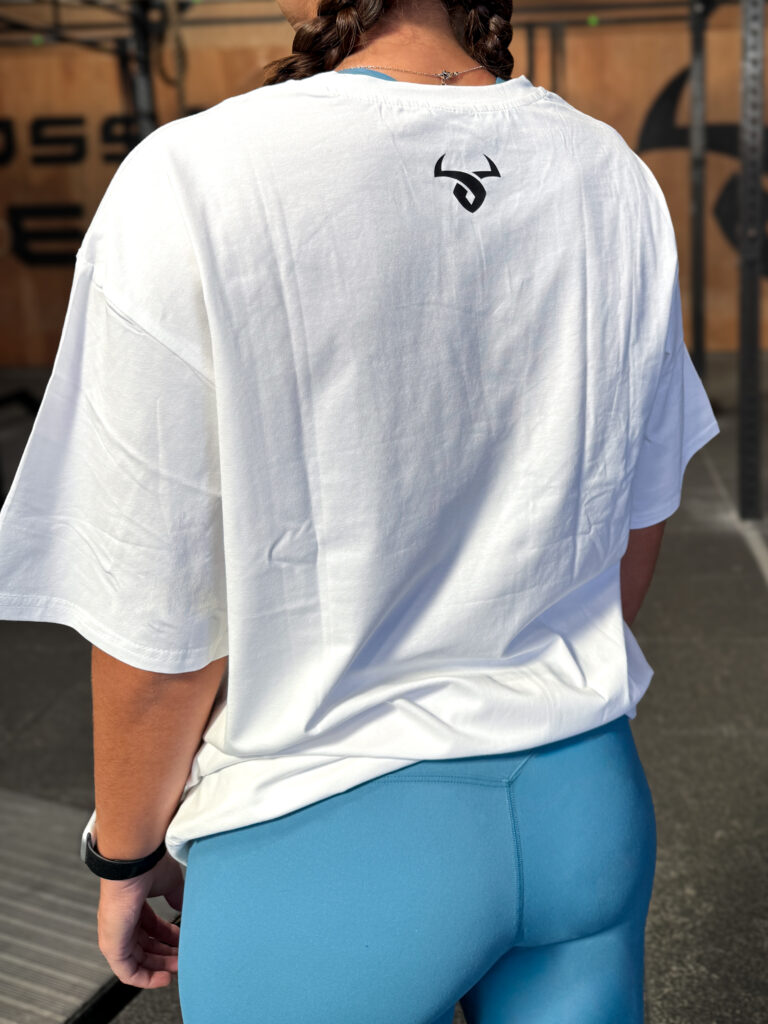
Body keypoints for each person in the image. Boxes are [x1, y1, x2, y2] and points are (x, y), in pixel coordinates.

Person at [0, 0, 721, 1021]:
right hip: (581, 802)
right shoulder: (609, 170)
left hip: (324, 845)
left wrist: (124, 852)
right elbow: (632, 529)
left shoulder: (193, 176)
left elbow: (157, 613)